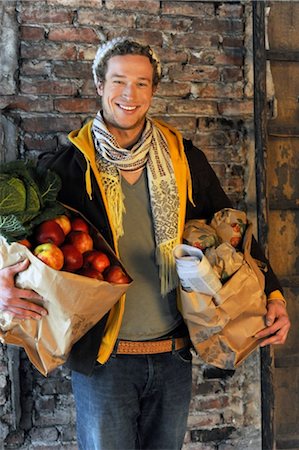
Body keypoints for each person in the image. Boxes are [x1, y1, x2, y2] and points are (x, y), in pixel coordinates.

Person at [0, 37, 291, 450]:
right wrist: (1, 284)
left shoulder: (184, 158)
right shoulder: (65, 167)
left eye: (141, 83)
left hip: (174, 354)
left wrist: (275, 294)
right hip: (104, 360)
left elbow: (233, 231)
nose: (129, 95)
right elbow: (17, 242)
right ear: (100, 85)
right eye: (119, 81)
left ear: (153, 90)